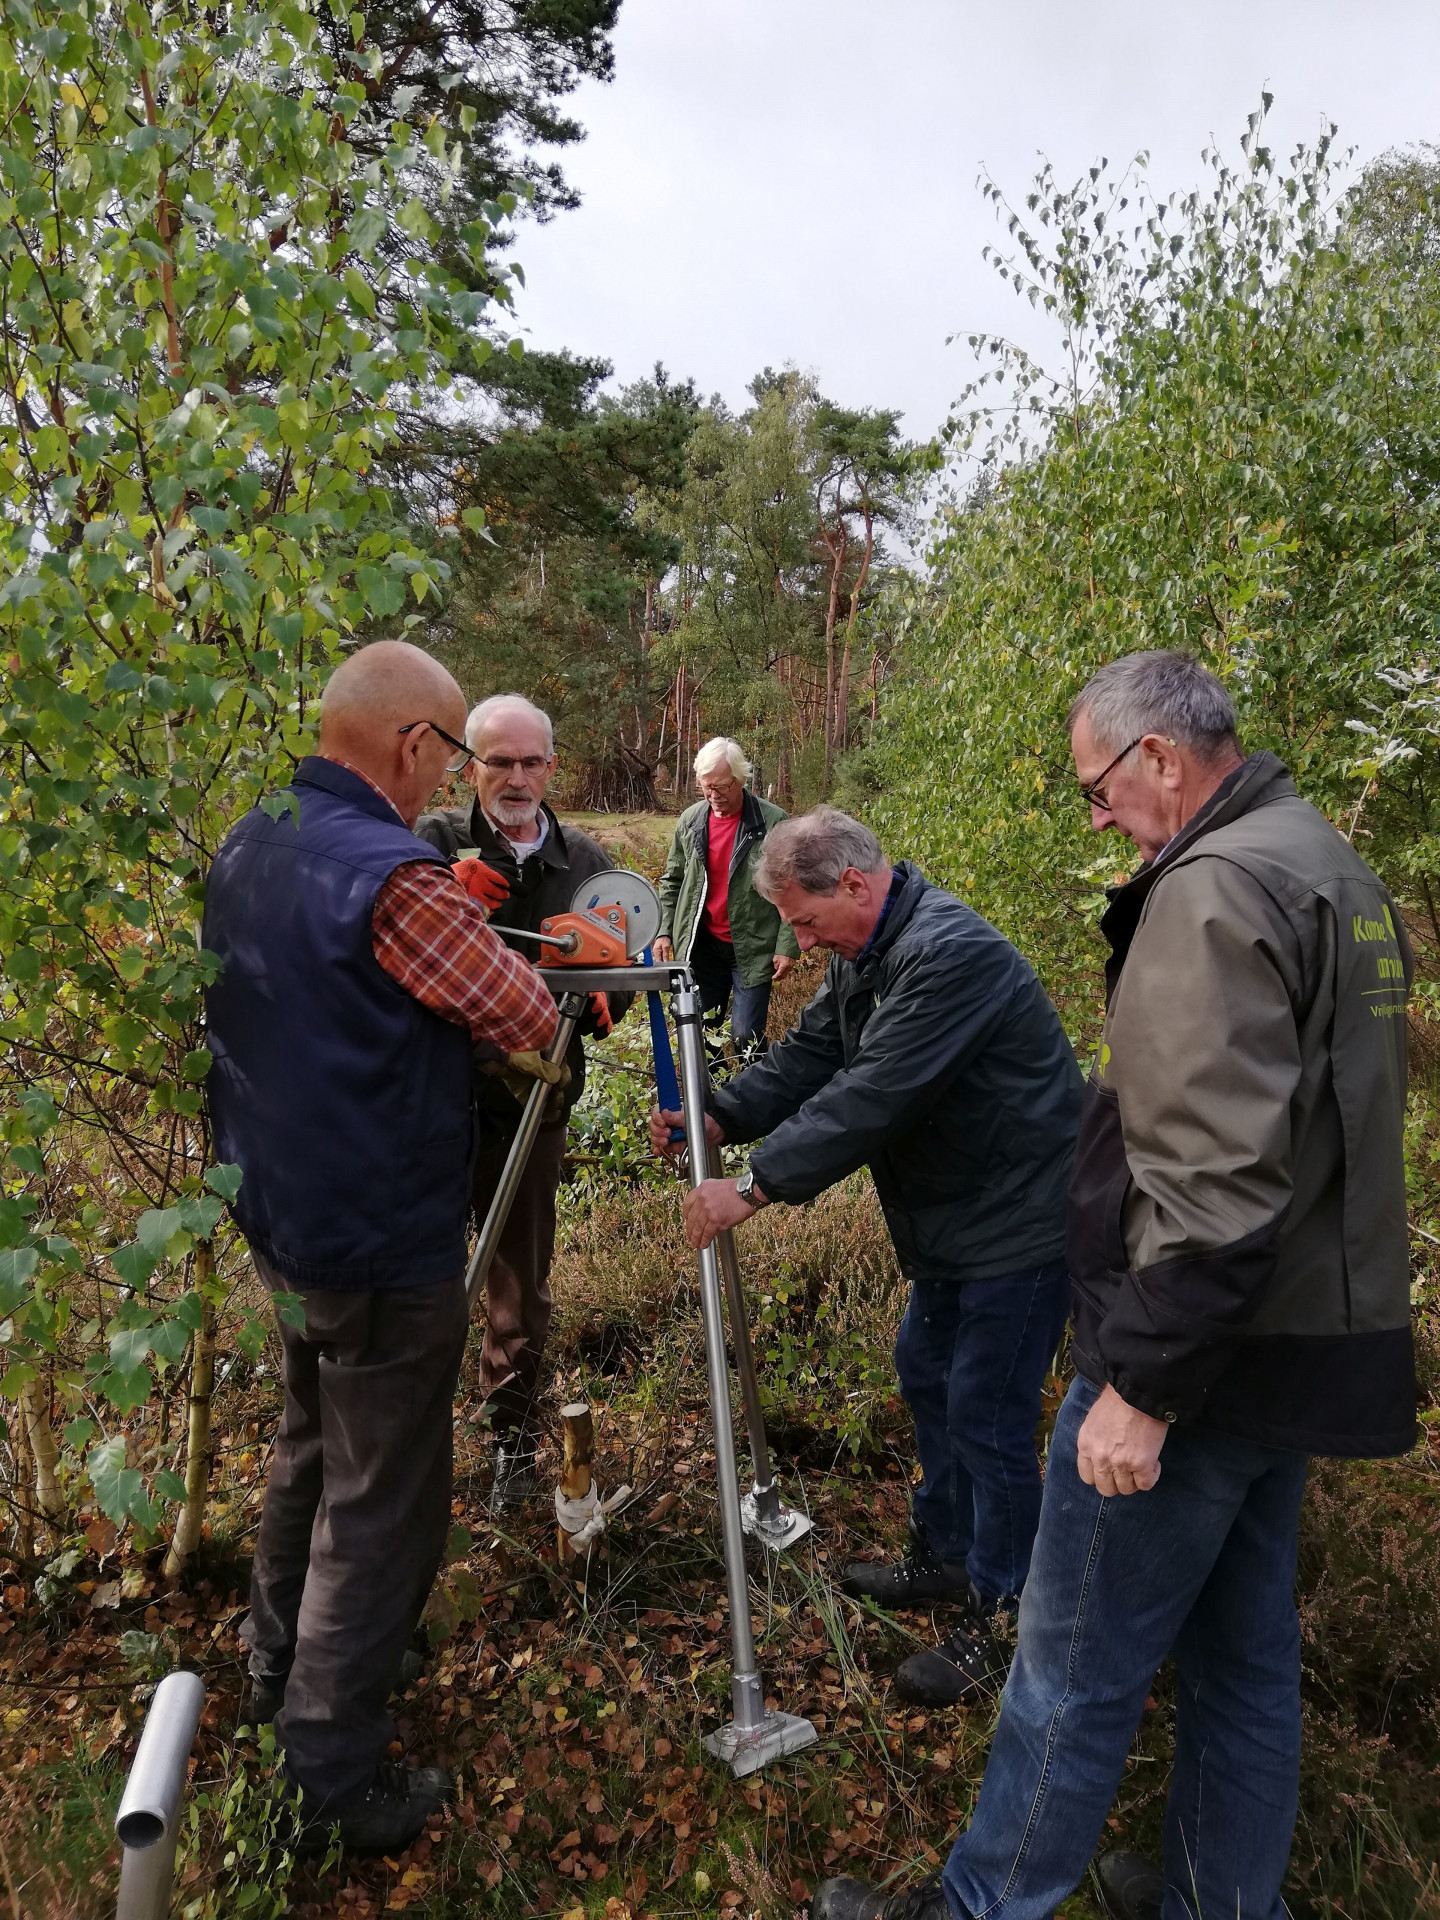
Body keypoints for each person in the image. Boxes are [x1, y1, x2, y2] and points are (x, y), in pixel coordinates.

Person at [815, 652, 1418, 1920]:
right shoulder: (1332, 868)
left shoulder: (1213, 893)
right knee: (1244, 1657)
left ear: (1159, 757)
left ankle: (981, 1905)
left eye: (1099, 789)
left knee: (1069, 1659)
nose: (1099, 818)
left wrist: (1139, 1385)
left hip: (1195, 1358)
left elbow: (1212, 1172)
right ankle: (1218, 1896)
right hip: (1300, 1339)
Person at [204, 643, 559, 1854]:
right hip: (379, 1234)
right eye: (450, 754)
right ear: (414, 747)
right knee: (381, 1498)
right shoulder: (399, 878)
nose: (449, 778)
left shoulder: (255, 836)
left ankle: (272, 1670)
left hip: (284, 1221)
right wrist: (491, 935)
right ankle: (330, 1776)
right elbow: (520, 1013)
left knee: (309, 1446)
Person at [649, 806, 1083, 1705]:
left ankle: (1007, 1616)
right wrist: (721, 1113)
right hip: (958, 1222)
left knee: (987, 1411)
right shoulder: (869, 954)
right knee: (926, 1371)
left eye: (805, 923)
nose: (799, 946)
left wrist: (755, 1184)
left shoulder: (948, 955)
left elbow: (875, 1093)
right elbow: (812, 1058)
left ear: (854, 884)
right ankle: (947, 1556)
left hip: (1025, 1223)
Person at [415, 692, 632, 1507]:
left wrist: (613, 996)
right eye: (498, 760)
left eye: (529, 761)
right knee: (421, 1282)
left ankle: (509, 1444)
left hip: (534, 1108)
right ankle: (414, 1446)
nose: (515, 776)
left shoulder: (588, 863)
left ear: (551, 766)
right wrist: (443, 902)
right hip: (429, 1107)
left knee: (520, 1288)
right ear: (469, 766)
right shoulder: (427, 845)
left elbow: (624, 963)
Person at [654, 737, 799, 1055]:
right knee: (701, 1033)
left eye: (720, 787)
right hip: (702, 946)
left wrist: (787, 946)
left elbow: (792, 888)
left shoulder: (773, 822)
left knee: (746, 1035)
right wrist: (664, 930)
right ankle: (711, 1102)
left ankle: (751, 1099)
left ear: (740, 780)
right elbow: (672, 880)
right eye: (706, 788)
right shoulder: (691, 821)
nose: (713, 796)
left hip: (752, 945)